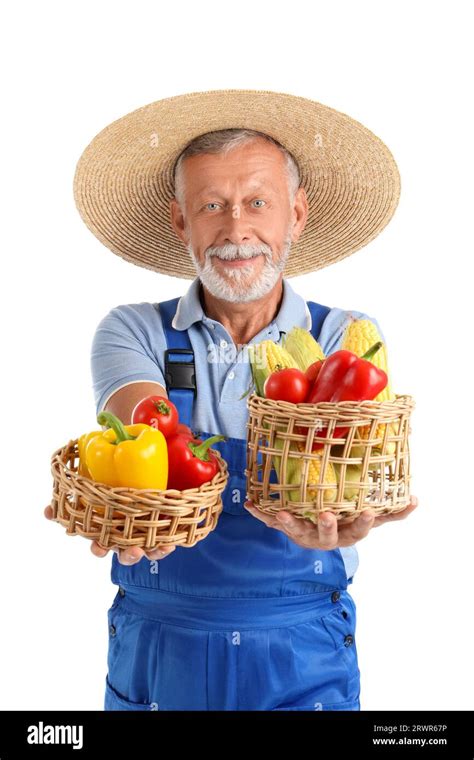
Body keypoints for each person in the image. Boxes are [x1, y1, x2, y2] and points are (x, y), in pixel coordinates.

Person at [47, 90, 418, 711]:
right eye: (212, 205)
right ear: (180, 222)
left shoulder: (344, 339)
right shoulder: (132, 330)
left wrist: (353, 518)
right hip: (162, 645)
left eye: (258, 202)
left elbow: (352, 473)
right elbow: (154, 441)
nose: (236, 229)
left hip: (302, 648)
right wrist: (142, 511)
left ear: (297, 214)